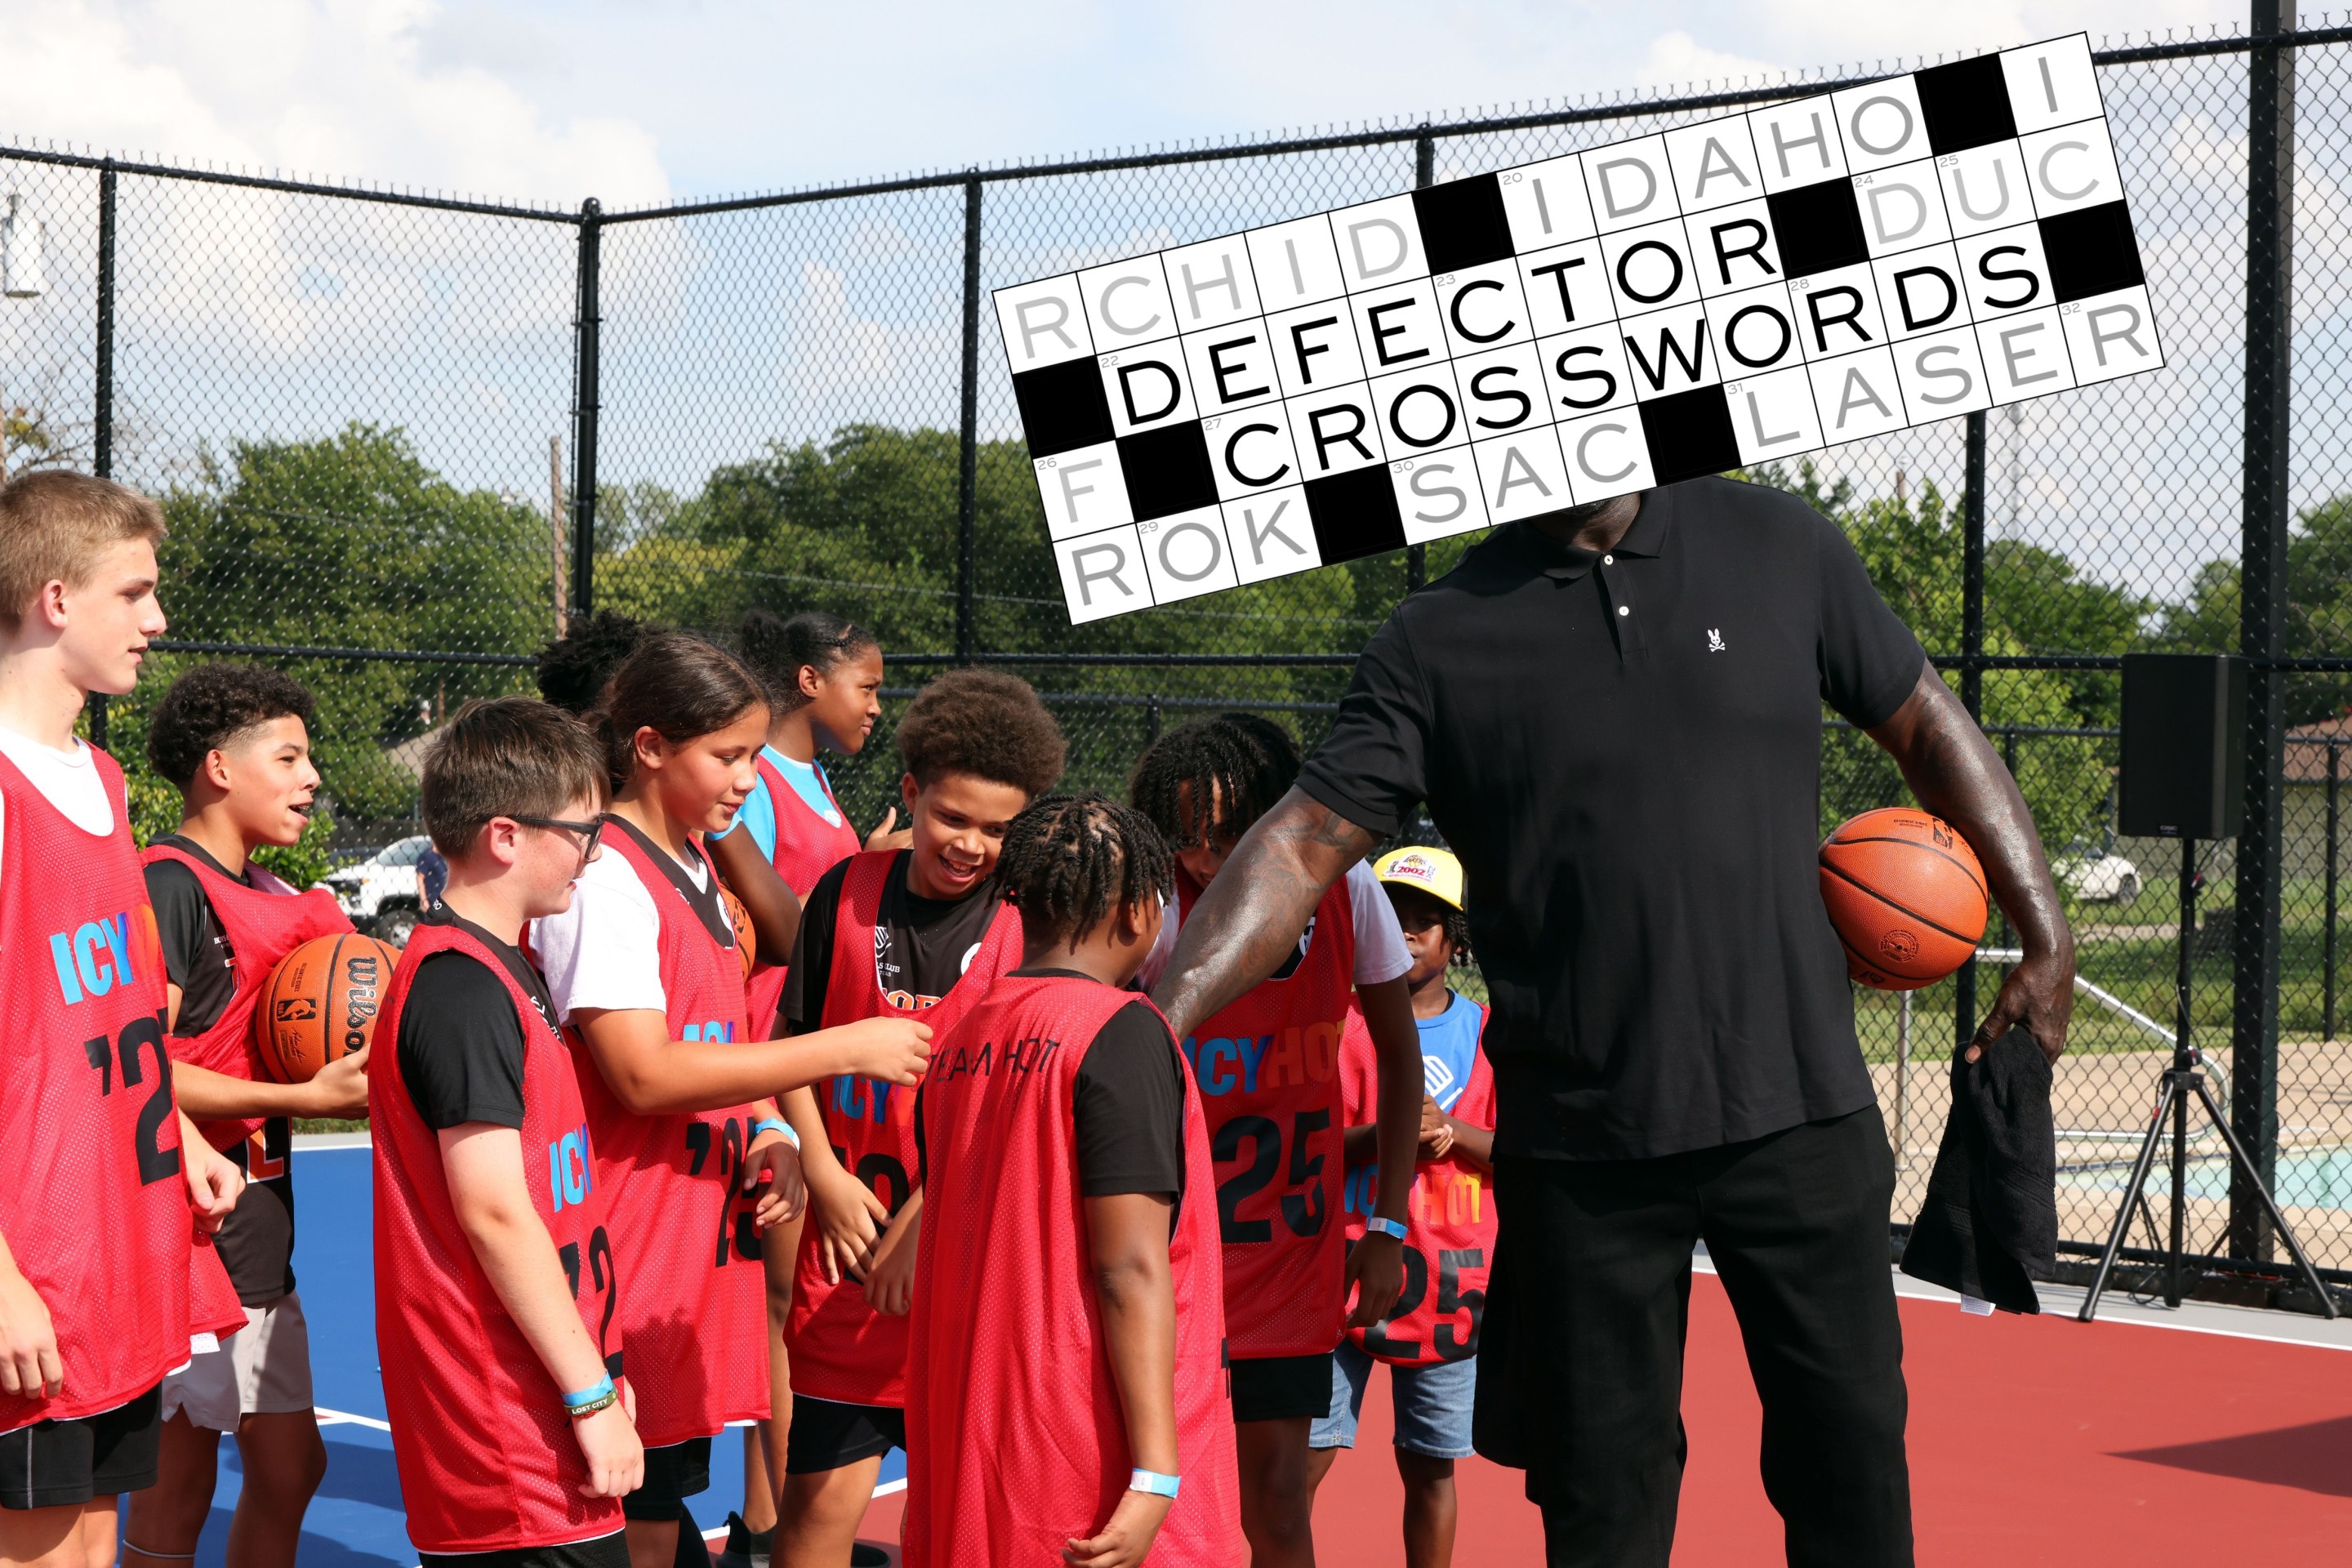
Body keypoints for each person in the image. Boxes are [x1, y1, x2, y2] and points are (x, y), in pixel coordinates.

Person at [1149, 480, 2078, 1567]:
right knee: (1603, 1499)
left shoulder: (1777, 541)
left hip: (1800, 1111)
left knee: (1852, 1464)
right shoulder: (1436, 634)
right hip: (1581, 1143)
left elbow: (1925, 718)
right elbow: (1303, 842)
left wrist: (2044, 926)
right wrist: (1154, 1021)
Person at [530, 633, 933, 1568]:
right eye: (727, 756)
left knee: (667, 1497)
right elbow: (641, 1071)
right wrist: (843, 1048)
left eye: (753, 754)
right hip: (624, 1243)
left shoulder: (695, 864)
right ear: (649, 747)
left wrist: (765, 1127)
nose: (748, 778)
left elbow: (713, 1038)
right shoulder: (611, 879)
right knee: (633, 1511)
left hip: (687, 1242)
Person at [0, 470, 244, 1568]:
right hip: (33, 1264)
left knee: (94, 1545)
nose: (157, 620)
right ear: (57, 599)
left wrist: (179, 1133)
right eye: (135, 592)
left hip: (117, 1248)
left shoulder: (98, 777)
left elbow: (103, 1020)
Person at [774, 669, 1065, 1568]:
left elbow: (1030, 1115)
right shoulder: (844, 892)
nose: (972, 844)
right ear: (910, 795)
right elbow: (791, 1044)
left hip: (973, 1286)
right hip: (850, 1274)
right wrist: (820, 1167)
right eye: (953, 818)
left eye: (998, 829)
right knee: (815, 1527)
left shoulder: (1036, 926)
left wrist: (928, 1213)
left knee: (958, 1533)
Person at [905, 794, 1241, 1568]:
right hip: (1085, 1440)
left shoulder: (961, 1035)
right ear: (1135, 914)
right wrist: (1156, 1471)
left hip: (974, 1427)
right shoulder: (1121, 1030)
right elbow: (1128, 1264)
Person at [1128, 713, 1419, 1568]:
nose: (1206, 858)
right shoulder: (1151, 907)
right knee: (1155, 1493)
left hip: (1291, 1255)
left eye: (1226, 835)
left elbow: (1403, 1069)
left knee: (1281, 1502)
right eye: (1187, 838)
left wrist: (1390, 1228)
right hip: (1175, 1256)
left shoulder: (1348, 890)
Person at [371, 695, 646, 1566]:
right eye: (581, 833)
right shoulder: (462, 992)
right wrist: (590, 1399)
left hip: (532, 1403)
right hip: (507, 1429)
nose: (592, 856)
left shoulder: (504, 966)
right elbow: (493, 1211)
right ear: (505, 835)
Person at [126, 663, 365, 1568]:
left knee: (293, 1466)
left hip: (261, 1221)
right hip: (192, 1225)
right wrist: (299, 1100)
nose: (311, 778)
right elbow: (138, 1071)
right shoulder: (169, 885)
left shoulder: (273, 895)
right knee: (178, 1487)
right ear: (220, 768)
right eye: (290, 756)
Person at [710, 611, 894, 1568]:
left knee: (795, 1304)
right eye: (865, 684)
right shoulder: (759, 784)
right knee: (786, 1303)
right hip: (776, 1051)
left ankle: (763, 1519)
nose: (877, 702)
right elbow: (791, 930)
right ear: (809, 680)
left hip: (821, 1056)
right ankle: (773, 1530)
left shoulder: (814, 778)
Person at [1304, 846, 1494, 1568]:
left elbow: (1519, 1152)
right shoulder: (1338, 1024)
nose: (1408, 934)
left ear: (1455, 940)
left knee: (1430, 1467)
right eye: (1392, 918)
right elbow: (1308, 1141)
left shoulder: (1484, 1033)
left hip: (1452, 1282)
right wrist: (1385, 1133)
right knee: (1305, 1459)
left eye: (1425, 922)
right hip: (1344, 1267)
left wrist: (1450, 1133)